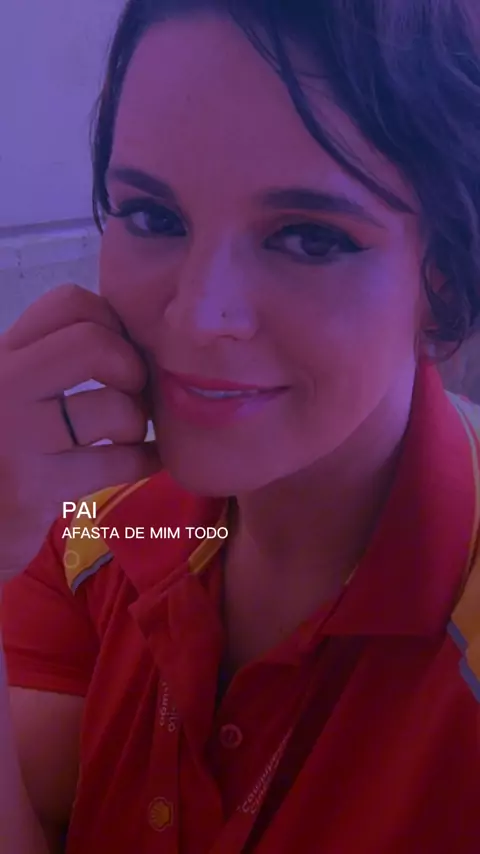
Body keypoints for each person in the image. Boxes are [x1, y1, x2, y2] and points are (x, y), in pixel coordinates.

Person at [1, 0, 480, 851]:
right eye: (154, 216)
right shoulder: (90, 521)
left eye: (310, 238)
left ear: (440, 282)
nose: (198, 315)